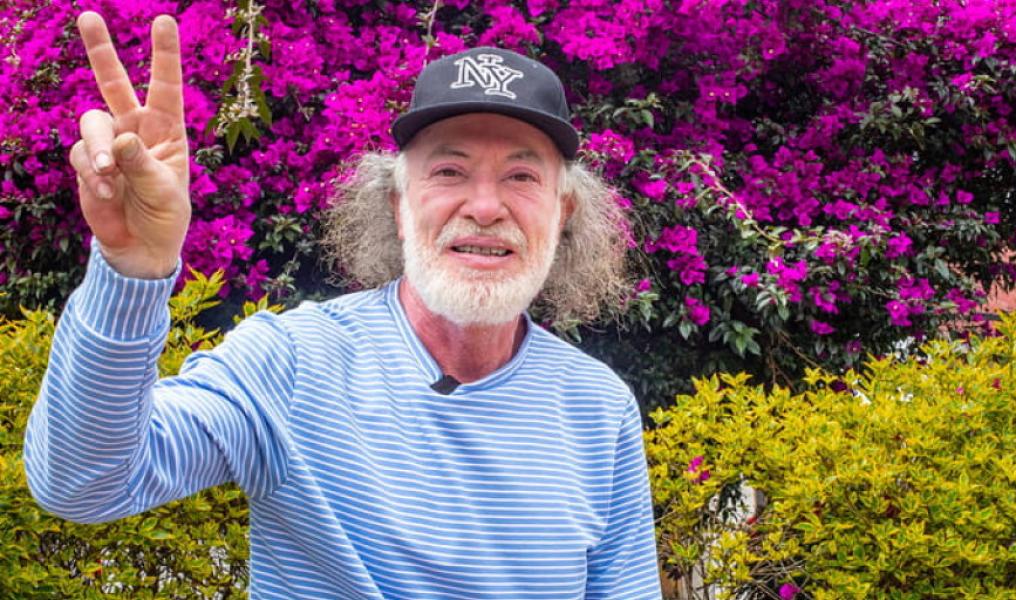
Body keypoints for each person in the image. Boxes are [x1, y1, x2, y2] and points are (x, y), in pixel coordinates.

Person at [23, 11, 663, 599]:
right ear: (398, 204)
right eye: (449, 171)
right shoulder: (292, 362)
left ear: (562, 210)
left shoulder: (597, 407)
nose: (486, 206)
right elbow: (83, 484)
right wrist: (132, 267)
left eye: (522, 176)